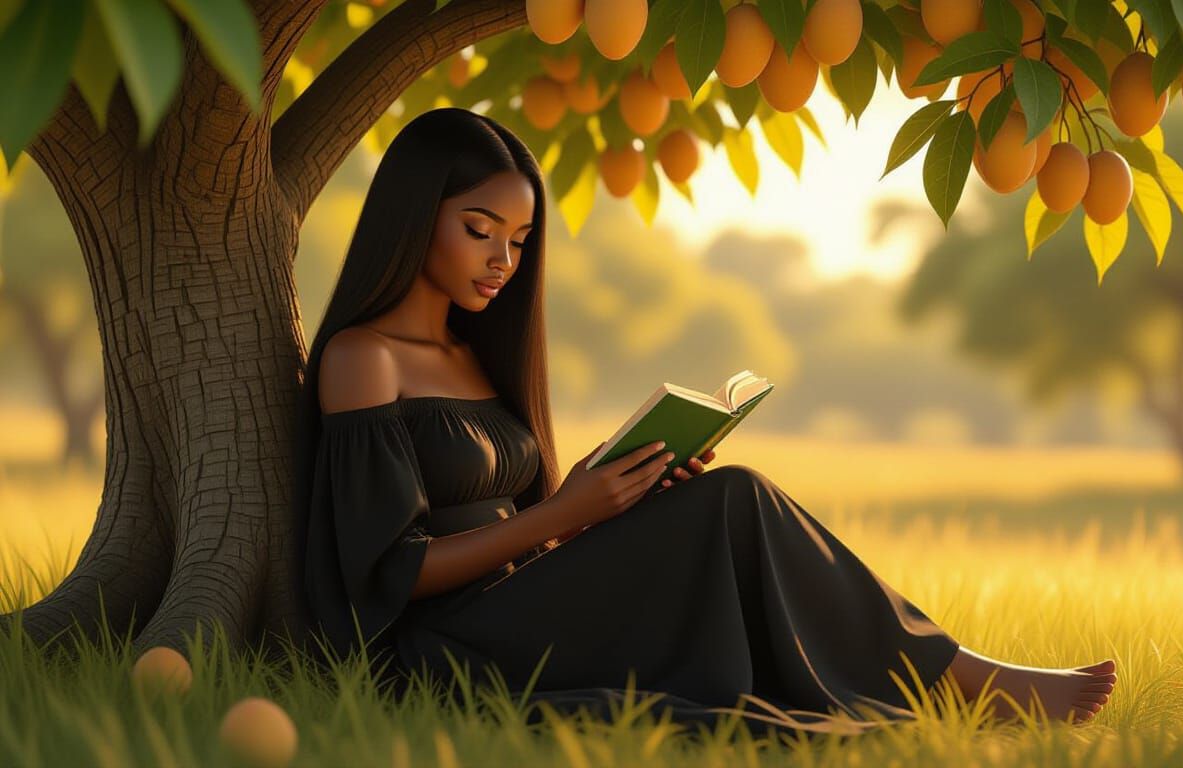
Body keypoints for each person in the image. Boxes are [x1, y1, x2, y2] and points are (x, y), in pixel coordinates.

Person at [292, 107, 1117, 735]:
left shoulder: (476, 354)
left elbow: (514, 525)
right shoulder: (366, 358)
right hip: (447, 648)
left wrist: (592, 497)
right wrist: (561, 515)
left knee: (720, 502)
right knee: (737, 497)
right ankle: (965, 680)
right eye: (479, 231)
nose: (502, 261)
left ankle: (947, 677)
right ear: (415, 216)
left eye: (519, 239)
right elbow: (386, 571)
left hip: (519, 602)